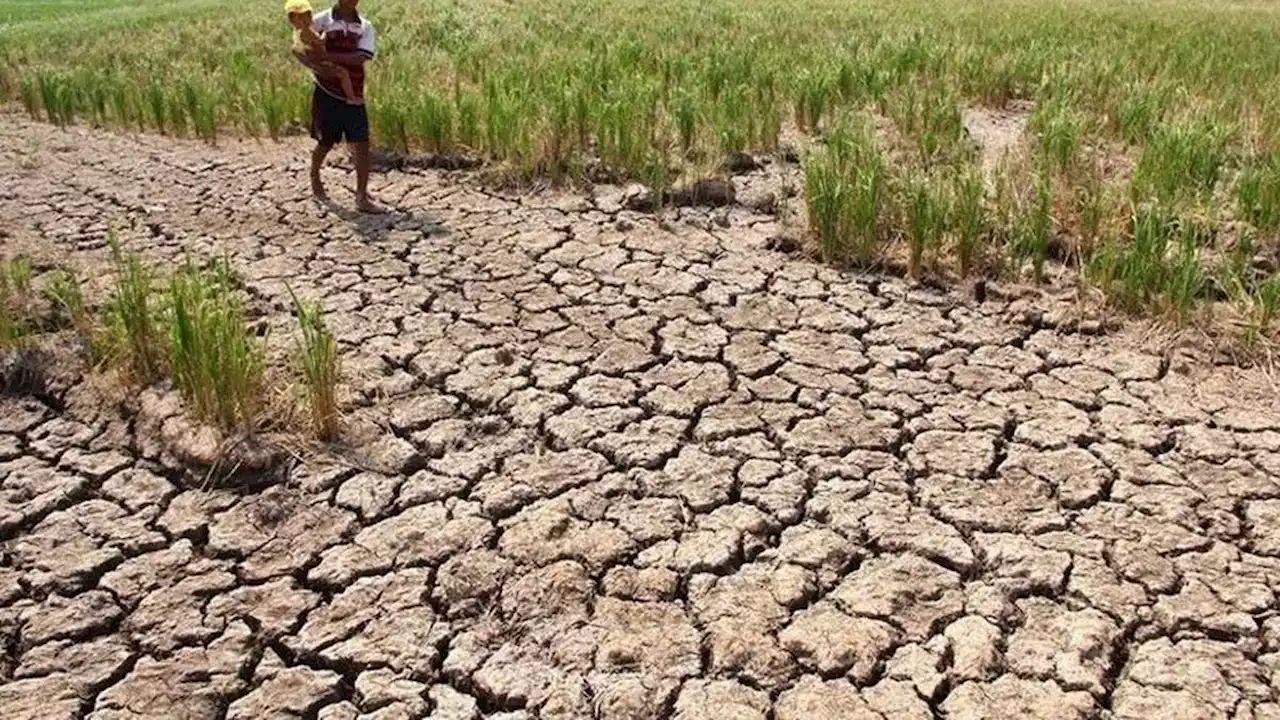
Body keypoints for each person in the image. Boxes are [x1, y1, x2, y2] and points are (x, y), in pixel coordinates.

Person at [293, 0, 382, 213]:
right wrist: (314, 65)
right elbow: (296, 45)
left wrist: (326, 56)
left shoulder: (365, 26)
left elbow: (362, 57)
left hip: (355, 95)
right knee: (325, 141)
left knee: (361, 144)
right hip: (327, 92)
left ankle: (361, 196)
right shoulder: (321, 20)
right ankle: (315, 176)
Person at [286, 0, 359, 105]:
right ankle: (350, 97)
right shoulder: (306, 32)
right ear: (293, 20)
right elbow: (320, 42)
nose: (306, 19)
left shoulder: (298, 32)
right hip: (321, 61)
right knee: (344, 73)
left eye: (308, 15)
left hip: (317, 59)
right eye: (301, 17)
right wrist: (326, 31)